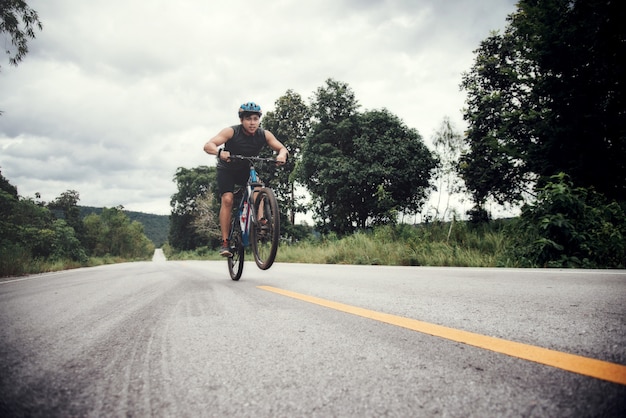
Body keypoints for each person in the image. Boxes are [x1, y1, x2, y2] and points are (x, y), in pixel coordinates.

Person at [203, 101, 288, 257]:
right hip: (227, 170)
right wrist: (219, 152)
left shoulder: (264, 134)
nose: (252, 122)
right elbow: (208, 145)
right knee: (227, 199)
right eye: (248, 119)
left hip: (245, 168)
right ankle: (225, 242)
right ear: (242, 120)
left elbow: (281, 147)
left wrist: (281, 155)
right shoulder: (231, 132)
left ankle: (260, 221)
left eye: (255, 119)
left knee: (258, 187)